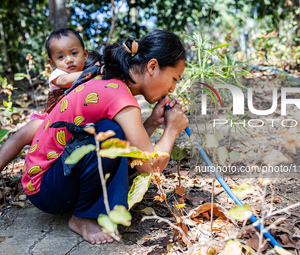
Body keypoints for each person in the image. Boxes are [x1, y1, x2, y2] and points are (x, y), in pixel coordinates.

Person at [22, 29, 188, 245]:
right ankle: (82, 217)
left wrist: (154, 122)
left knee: (113, 131)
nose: (173, 88)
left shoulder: (112, 83)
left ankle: (90, 206)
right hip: (45, 189)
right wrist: (172, 129)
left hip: (52, 180)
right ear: (153, 66)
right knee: (111, 132)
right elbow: (149, 167)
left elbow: (134, 149)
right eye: (174, 78)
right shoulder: (120, 98)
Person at [0, 28, 91, 172]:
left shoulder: (90, 72)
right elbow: (66, 81)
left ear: (85, 54)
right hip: (50, 121)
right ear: (52, 63)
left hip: (76, 123)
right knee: (22, 135)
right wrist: (93, 72)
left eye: (74, 53)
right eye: (60, 57)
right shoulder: (58, 74)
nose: (69, 59)